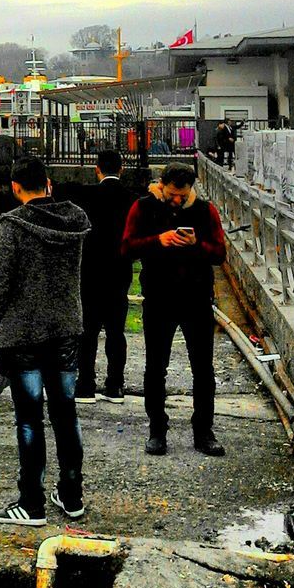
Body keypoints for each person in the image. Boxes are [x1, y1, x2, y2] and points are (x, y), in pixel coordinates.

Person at [0, 156, 91, 525]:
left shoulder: (13, 226)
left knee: (29, 418)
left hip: (24, 335)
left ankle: (31, 503)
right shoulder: (75, 220)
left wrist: (0, 326)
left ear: (15, 188)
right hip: (65, 329)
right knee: (65, 412)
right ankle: (72, 494)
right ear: (48, 183)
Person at [120, 163, 227, 456]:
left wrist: (196, 245)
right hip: (158, 298)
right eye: (171, 194)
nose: (176, 200)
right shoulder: (143, 208)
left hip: (197, 299)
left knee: (203, 370)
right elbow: (127, 248)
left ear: (191, 189)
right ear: (162, 185)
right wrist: (158, 241)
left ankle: (203, 431)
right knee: (155, 368)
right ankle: (157, 430)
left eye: (182, 195)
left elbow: (219, 254)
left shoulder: (206, 211)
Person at [77, 148, 134, 401]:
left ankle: (86, 385)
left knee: (87, 332)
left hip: (89, 272)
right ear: (121, 169)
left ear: (96, 169)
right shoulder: (133, 199)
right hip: (120, 271)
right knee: (115, 332)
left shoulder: (85, 197)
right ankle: (115, 385)